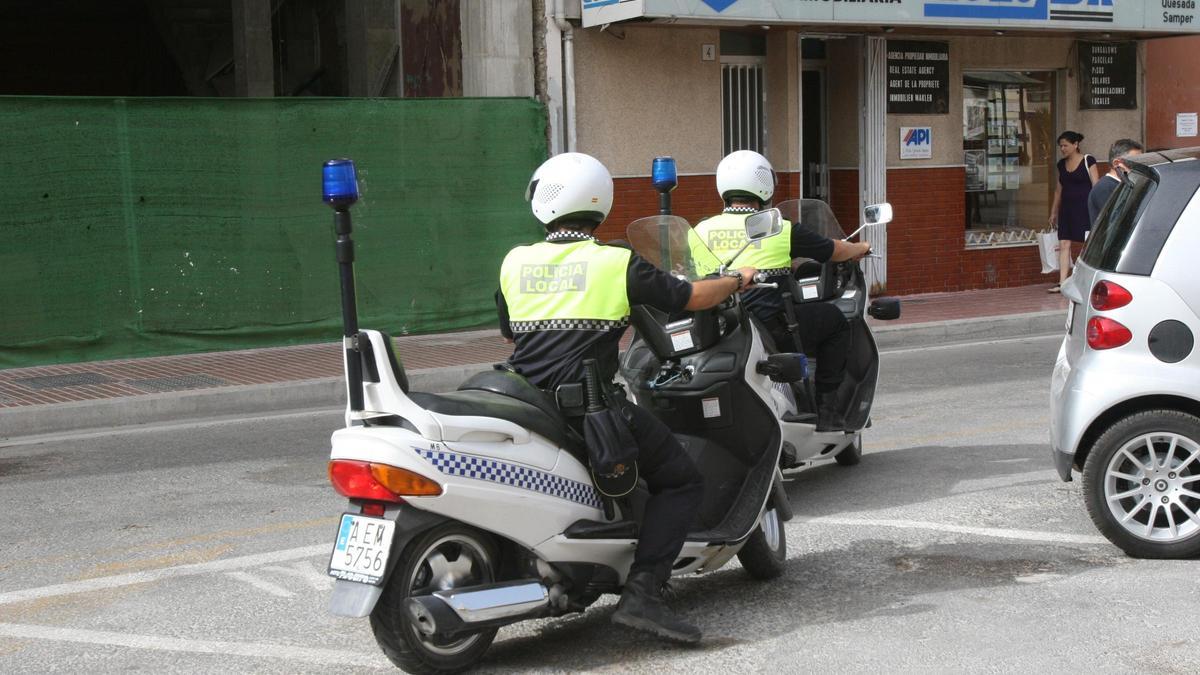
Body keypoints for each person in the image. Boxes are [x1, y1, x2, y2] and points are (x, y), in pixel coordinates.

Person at [496, 152, 757, 644]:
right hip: (591, 409)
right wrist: (737, 280)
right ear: (598, 200)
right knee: (681, 481)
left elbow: (511, 330)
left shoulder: (514, 261)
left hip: (531, 402)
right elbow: (688, 297)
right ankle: (645, 593)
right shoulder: (615, 263)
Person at [694, 150, 870, 432]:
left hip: (721, 329)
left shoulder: (700, 230)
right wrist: (860, 248)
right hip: (773, 332)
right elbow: (833, 250)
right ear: (765, 185)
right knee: (836, 322)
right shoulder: (778, 227)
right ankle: (827, 409)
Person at [1048, 131, 1100, 292]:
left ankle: (1089, 280)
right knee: (1064, 243)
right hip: (1067, 209)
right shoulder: (1061, 164)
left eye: (1065, 145)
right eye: (1061, 146)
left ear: (1075, 144)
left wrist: (1097, 209)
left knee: (1087, 243)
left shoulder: (1088, 160)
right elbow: (1058, 190)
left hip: (1085, 209)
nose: (1062, 149)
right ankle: (1062, 282)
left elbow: (1096, 186)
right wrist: (1053, 212)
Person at [1088, 138, 1144, 226]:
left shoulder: (1123, 184)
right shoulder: (1105, 188)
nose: (1139, 167)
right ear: (1116, 163)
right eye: (1135, 162)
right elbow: (1117, 222)